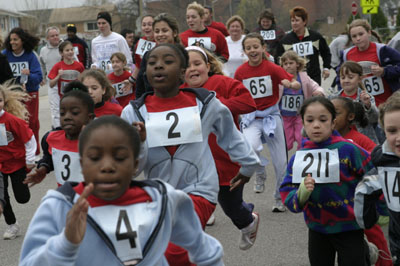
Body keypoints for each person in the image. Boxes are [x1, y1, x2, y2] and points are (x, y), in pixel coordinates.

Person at [19, 115, 224, 266]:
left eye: (119, 157)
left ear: (135, 164)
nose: (107, 166)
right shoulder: (59, 205)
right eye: (95, 157)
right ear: (81, 164)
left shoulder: (163, 199)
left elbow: (204, 250)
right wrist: (65, 244)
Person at [121, 43, 259, 265]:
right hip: (159, 195)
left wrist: (248, 166)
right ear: (145, 71)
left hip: (199, 190)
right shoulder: (133, 111)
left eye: (167, 62)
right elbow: (132, 169)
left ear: (183, 72)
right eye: (152, 63)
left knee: (176, 251)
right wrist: (142, 142)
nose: (158, 67)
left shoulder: (204, 102)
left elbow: (230, 136)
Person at [280, 96, 375, 266]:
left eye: (323, 120)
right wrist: (301, 194)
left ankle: (365, 251)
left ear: (333, 123)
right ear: (303, 123)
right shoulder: (298, 158)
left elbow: (373, 171)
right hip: (317, 227)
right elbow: (287, 189)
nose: (316, 125)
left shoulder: (347, 149)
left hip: (350, 226)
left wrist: (374, 205)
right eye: (310, 120)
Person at [182, 46, 259, 250]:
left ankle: (248, 221)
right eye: (187, 66)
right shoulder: (179, 91)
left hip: (226, 160)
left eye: (197, 63)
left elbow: (248, 103)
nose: (192, 69)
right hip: (195, 164)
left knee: (233, 208)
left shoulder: (222, 83)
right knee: (194, 214)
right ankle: (197, 254)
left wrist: (215, 106)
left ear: (208, 66)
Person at [234, 33, 300, 211]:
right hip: (252, 118)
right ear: (244, 51)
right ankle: (260, 172)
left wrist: (291, 84)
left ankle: (279, 198)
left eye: (256, 47)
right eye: (248, 48)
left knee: (280, 163)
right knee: (251, 148)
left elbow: (291, 80)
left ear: (263, 48)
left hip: (272, 116)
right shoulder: (240, 72)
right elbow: (234, 91)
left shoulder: (271, 67)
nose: (252, 50)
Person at [332, 97, 392, 266]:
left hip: (360, 203)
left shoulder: (358, 139)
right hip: (336, 206)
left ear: (350, 117)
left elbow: (378, 158)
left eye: (336, 113)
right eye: (329, 113)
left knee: (375, 238)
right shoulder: (325, 140)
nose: (332, 117)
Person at [354, 92, 400, 266]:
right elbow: (364, 189)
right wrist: (367, 221)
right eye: (392, 131)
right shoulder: (384, 165)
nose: (399, 138)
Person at [24, 86, 95, 187]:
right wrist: (43, 168)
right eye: (62, 113)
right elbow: (50, 158)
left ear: (89, 118)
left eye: (74, 113)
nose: (67, 117)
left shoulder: (98, 143)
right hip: (64, 198)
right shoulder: (51, 138)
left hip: (91, 199)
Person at [0, 83, 36, 240]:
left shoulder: (12, 120)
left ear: (4, 102)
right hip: (0, 165)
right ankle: (12, 224)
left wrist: (30, 159)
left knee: (22, 198)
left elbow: (29, 138)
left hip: (16, 163)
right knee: (2, 197)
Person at [338, 19, 400, 106]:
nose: (358, 38)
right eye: (354, 36)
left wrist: (384, 71)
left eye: (361, 34)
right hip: (359, 105)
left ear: (369, 33)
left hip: (384, 102)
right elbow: (339, 76)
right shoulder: (346, 55)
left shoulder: (382, 50)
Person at [3, 27, 43, 155]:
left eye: (16, 39)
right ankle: (13, 151)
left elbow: (39, 77)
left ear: (22, 40)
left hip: (29, 94)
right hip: (11, 95)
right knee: (10, 124)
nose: (12, 42)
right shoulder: (5, 55)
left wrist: (29, 75)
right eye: (11, 40)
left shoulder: (31, 55)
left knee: (32, 123)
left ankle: (34, 152)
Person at [279, 50, 325, 151]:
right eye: (285, 64)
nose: (288, 66)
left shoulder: (304, 77)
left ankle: (300, 159)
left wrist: (319, 92)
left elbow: (315, 86)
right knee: (287, 144)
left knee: (302, 140)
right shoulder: (280, 79)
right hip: (284, 116)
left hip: (300, 116)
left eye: (291, 63)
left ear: (297, 64)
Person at [277, 6, 331, 85]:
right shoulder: (285, 40)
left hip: (313, 77)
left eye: (297, 20)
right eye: (292, 21)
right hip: (293, 79)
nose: (294, 23)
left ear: (304, 21)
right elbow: (278, 59)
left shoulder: (316, 37)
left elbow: (326, 53)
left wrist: (326, 67)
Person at [332, 61, 380, 144]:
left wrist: (368, 106)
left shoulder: (366, 97)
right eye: (343, 78)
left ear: (360, 78)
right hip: (341, 141)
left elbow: (375, 119)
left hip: (363, 142)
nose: (346, 80)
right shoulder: (333, 99)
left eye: (350, 77)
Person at [134, 12, 180, 98]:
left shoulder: (184, 55)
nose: (160, 34)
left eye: (165, 30)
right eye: (157, 31)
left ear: (174, 32)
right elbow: (140, 87)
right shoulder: (148, 56)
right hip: (153, 106)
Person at [39, 26, 62, 129]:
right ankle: (57, 129)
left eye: (57, 35)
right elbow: (41, 65)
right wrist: (42, 77)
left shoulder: (65, 47)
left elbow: (76, 62)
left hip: (66, 82)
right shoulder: (43, 51)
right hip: (52, 84)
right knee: (55, 108)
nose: (55, 37)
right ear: (47, 38)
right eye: (52, 36)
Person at [132, 15, 155, 82]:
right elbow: (138, 65)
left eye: (149, 25)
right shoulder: (140, 42)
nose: (146, 27)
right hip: (144, 78)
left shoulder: (160, 41)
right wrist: (131, 80)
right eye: (144, 25)